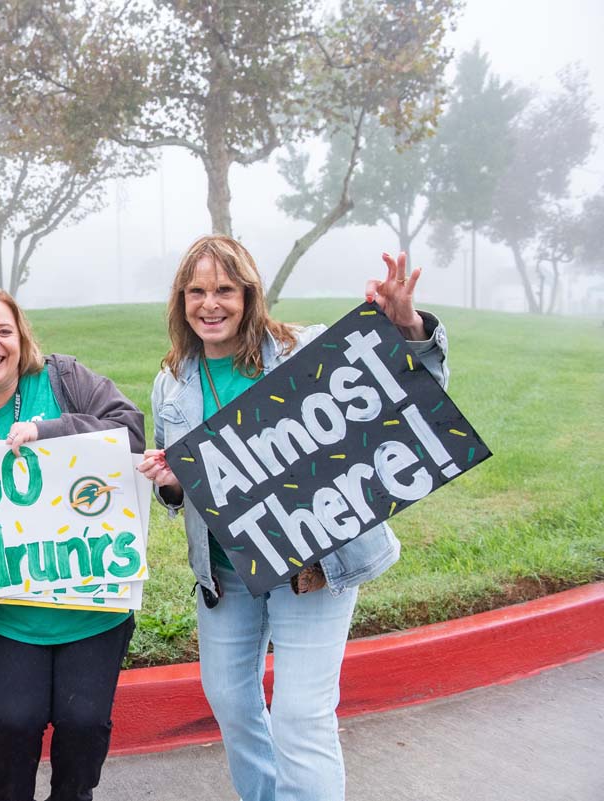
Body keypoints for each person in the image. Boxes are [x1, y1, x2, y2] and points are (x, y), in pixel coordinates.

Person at [137, 237, 449, 801]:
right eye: (197, 291)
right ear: (181, 300)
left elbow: (411, 393)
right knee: (231, 703)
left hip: (314, 564)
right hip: (227, 572)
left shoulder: (301, 348)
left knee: (301, 717)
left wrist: (407, 327)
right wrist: (174, 483)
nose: (211, 304)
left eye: (225, 289)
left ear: (249, 294)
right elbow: (179, 489)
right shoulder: (172, 382)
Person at [0, 286, 145, 801]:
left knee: (83, 724)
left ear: (21, 338)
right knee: (15, 724)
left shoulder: (64, 380)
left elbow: (130, 430)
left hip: (93, 605)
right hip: (10, 616)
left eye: (3, 331)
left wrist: (52, 430)